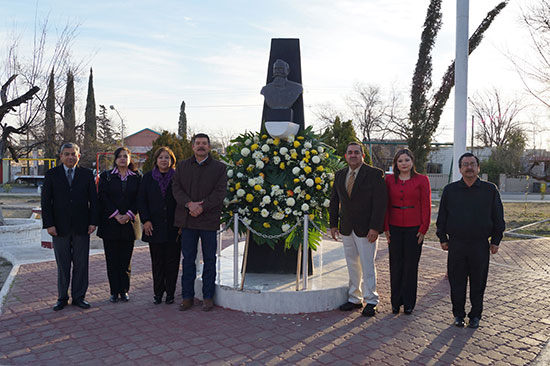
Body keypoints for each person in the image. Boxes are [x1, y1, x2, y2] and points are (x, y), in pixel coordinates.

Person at [436, 152, 505, 328]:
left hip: (480, 244)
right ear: (460, 168)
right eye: (465, 164)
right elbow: (442, 217)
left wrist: (496, 240)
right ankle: (458, 315)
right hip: (456, 244)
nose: (469, 167)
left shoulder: (490, 190)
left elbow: (498, 217)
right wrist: (442, 238)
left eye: (472, 164)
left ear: (478, 167)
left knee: (478, 282)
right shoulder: (450, 190)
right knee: (457, 282)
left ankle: (475, 315)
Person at [329, 142, 387, 317]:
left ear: (362, 155)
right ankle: (355, 298)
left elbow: (380, 203)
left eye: (356, 152)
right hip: (346, 228)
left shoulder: (375, 174)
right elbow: (334, 201)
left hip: (367, 229)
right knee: (352, 264)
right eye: (350, 152)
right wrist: (333, 224)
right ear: (346, 156)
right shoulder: (339, 175)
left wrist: (375, 228)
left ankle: (371, 300)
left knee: (367, 265)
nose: (353, 155)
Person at [172, 133, 227, 312]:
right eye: (198, 143)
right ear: (193, 146)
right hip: (188, 220)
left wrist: (202, 207)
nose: (201, 146)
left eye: (204, 143)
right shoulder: (182, 166)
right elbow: (176, 189)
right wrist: (189, 204)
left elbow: (220, 193)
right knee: (188, 260)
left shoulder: (219, 168)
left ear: (209, 147)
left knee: (210, 259)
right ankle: (187, 297)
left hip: (209, 220)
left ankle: (208, 297)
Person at [41, 142, 98, 311]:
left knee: (81, 264)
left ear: (78, 156)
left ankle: (79, 297)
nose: (70, 157)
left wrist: (93, 222)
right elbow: (46, 201)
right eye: (67, 154)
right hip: (59, 227)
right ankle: (62, 297)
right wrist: (49, 224)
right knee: (63, 264)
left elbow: (93, 200)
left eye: (73, 154)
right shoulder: (52, 174)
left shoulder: (87, 174)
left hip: (82, 226)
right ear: (61, 156)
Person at [384, 149, 431, 315]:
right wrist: (386, 228)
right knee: (396, 265)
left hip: (414, 228)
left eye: (406, 160)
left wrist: (424, 228)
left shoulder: (422, 180)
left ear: (412, 161)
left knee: (411, 266)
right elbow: (386, 205)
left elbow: (426, 205)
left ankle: (409, 303)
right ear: (395, 164)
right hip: (394, 226)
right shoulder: (389, 180)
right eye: (400, 161)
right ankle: (396, 302)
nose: (403, 163)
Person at [97, 147, 141, 303]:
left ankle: (124, 290)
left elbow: (139, 199)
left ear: (129, 159)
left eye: (125, 156)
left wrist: (128, 215)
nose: (123, 159)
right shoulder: (106, 176)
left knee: (125, 260)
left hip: (129, 224)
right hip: (111, 224)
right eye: (120, 156)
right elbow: (103, 197)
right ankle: (114, 291)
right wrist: (116, 215)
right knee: (112, 260)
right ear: (115, 159)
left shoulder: (136, 177)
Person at [138, 147, 180, 305]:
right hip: (153, 227)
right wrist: (146, 220)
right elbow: (141, 201)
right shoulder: (148, 178)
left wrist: (181, 223)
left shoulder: (177, 177)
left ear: (172, 161)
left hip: (173, 227)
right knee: (157, 262)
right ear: (156, 160)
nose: (164, 160)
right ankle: (157, 293)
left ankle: (170, 293)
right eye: (161, 157)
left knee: (172, 262)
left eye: (167, 158)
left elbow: (182, 202)